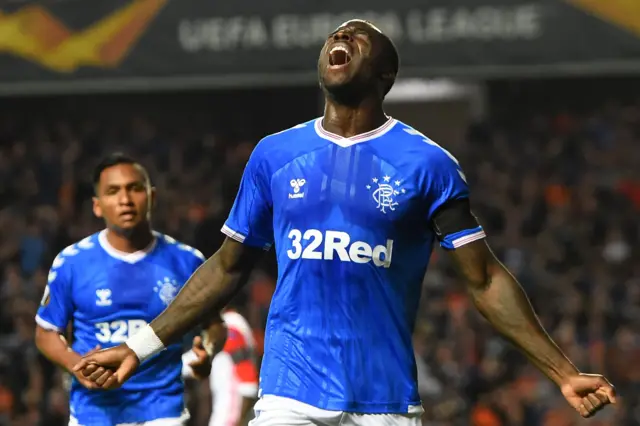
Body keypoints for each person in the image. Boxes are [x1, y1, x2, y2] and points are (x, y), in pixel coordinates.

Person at [74, 20, 616, 425]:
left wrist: (563, 371)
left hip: (383, 401)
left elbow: (485, 279)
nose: (343, 36)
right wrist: (141, 345)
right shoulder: (274, 154)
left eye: (360, 37)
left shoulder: (427, 164)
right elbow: (226, 267)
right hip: (289, 391)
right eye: (337, 33)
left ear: (385, 74)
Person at [35, 153, 224, 426]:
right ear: (97, 206)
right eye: (113, 191)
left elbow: (215, 324)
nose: (125, 199)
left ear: (152, 197)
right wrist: (76, 365)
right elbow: (45, 332)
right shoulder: (72, 262)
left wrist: (208, 348)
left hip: (162, 409)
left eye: (135, 188)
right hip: (95, 410)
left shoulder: (187, 261)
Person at [208, 300, 259, 426]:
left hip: (232, 402)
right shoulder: (233, 323)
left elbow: (245, 368)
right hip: (228, 402)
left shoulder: (230, 325)